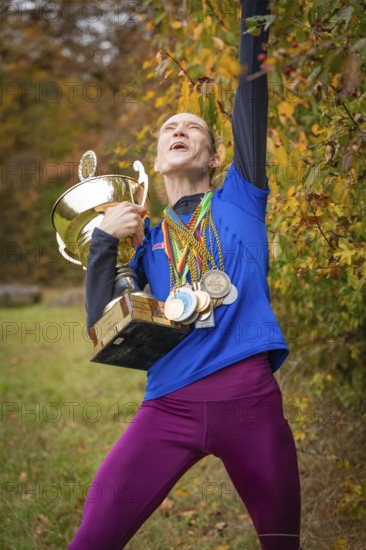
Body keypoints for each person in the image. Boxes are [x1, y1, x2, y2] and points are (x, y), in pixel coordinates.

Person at [68, 1, 302, 549]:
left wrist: (255, 11)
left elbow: (252, 88)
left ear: (214, 157)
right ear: (156, 155)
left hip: (250, 400)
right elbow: (102, 326)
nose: (178, 130)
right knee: (94, 537)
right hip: (168, 403)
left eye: (192, 128)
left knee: (282, 543)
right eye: (169, 127)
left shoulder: (242, 196)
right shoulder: (143, 239)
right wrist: (104, 243)